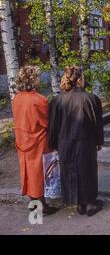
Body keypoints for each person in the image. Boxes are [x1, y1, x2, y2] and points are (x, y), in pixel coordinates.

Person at [48, 66, 104, 216]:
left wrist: (53, 144)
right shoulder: (92, 98)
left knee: (71, 170)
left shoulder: (57, 100)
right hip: (86, 141)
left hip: (65, 141)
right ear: (80, 79)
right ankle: (90, 203)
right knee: (88, 170)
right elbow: (97, 123)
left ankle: (79, 203)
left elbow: (53, 125)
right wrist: (99, 141)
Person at [12, 65, 58, 215]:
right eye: (37, 76)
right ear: (32, 79)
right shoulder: (39, 100)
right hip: (38, 141)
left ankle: (34, 202)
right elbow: (47, 122)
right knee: (38, 173)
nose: (39, 79)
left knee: (27, 171)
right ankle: (42, 206)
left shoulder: (16, 98)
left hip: (22, 139)